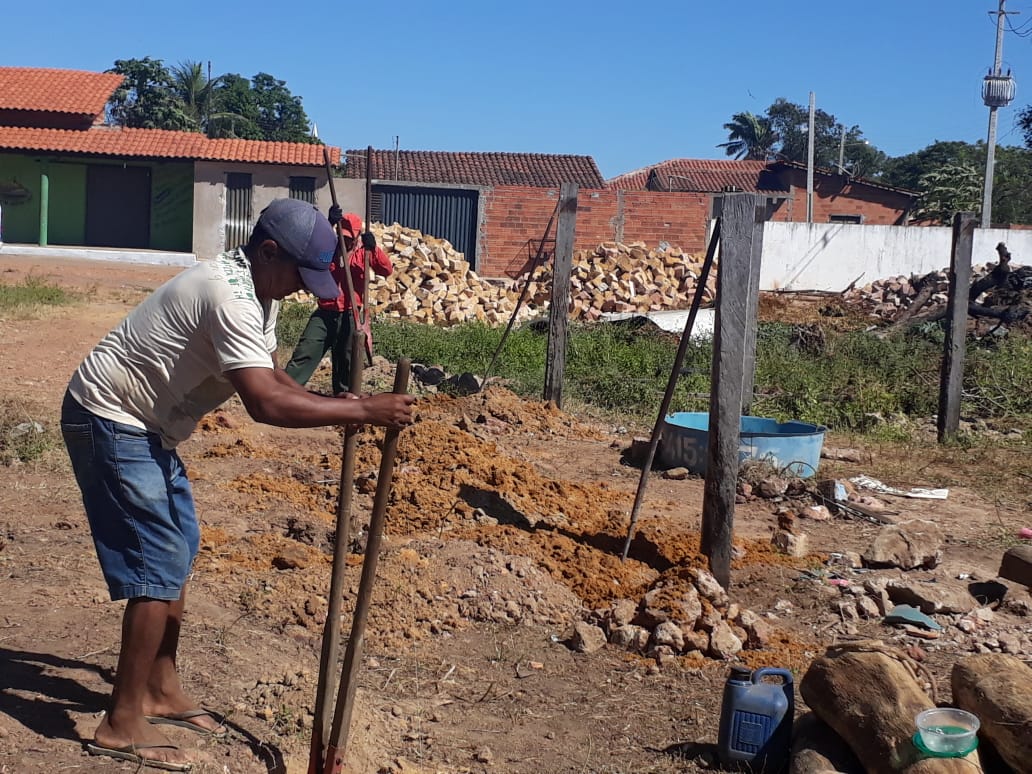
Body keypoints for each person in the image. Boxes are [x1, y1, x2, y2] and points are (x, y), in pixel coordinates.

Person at [60, 198, 414, 771]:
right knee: (157, 561)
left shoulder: (257, 290)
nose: (305, 288)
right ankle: (121, 722)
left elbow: (271, 372)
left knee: (180, 548)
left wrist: (338, 401)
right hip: (110, 417)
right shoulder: (228, 295)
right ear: (269, 252)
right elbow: (266, 403)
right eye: (301, 274)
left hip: (149, 427)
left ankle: (160, 688)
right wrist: (363, 411)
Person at [284, 207, 393, 395]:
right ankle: (286, 390)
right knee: (307, 349)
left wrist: (374, 249)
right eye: (342, 235)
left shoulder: (364, 253)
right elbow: (318, 260)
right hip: (326, 310)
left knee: (346, 358)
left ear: (357, 236)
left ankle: (343, 397)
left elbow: (386, 270)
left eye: (350, 237)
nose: (346, 240)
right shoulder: (330, 250)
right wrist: (328, 225)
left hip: (351, 312)